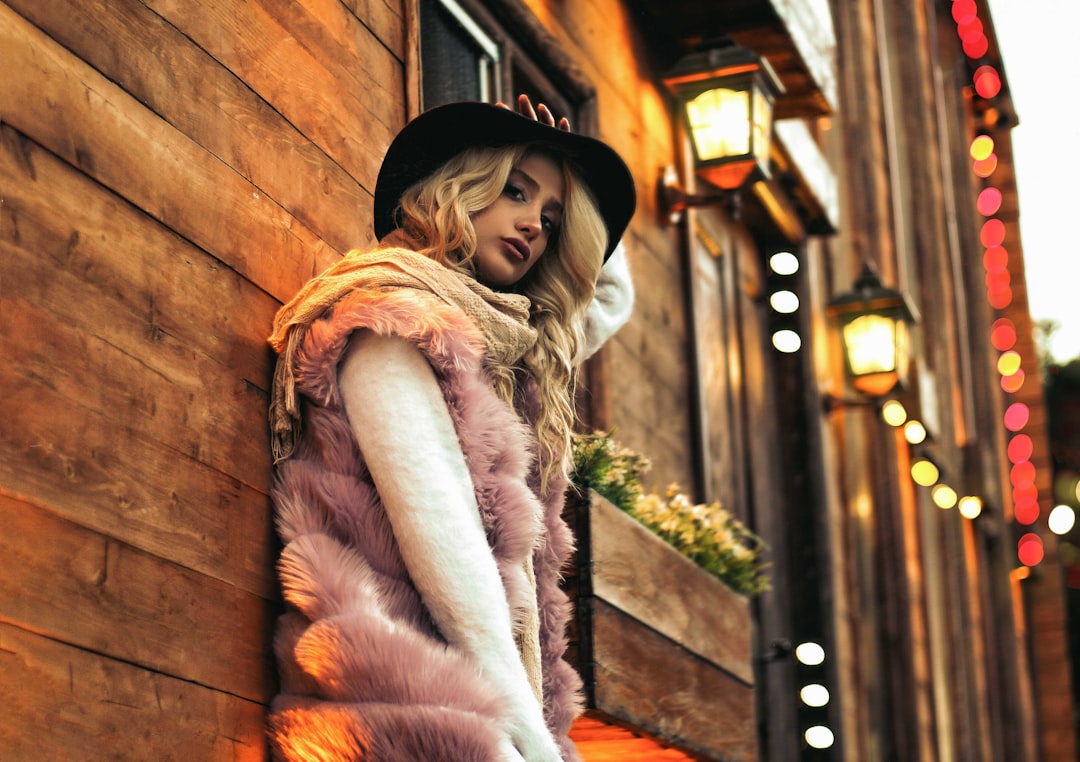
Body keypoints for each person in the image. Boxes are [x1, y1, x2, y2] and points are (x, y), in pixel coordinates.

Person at [265, 95, 635, 761]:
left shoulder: (496, 344)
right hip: (407, 713)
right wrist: (532, 743)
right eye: (515, 191)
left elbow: (607, 299)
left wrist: (578, 180)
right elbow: (450, 560)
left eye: (551, 220)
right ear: (463, 187)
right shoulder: (391, 324)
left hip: (468, 712)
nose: (533, 225)